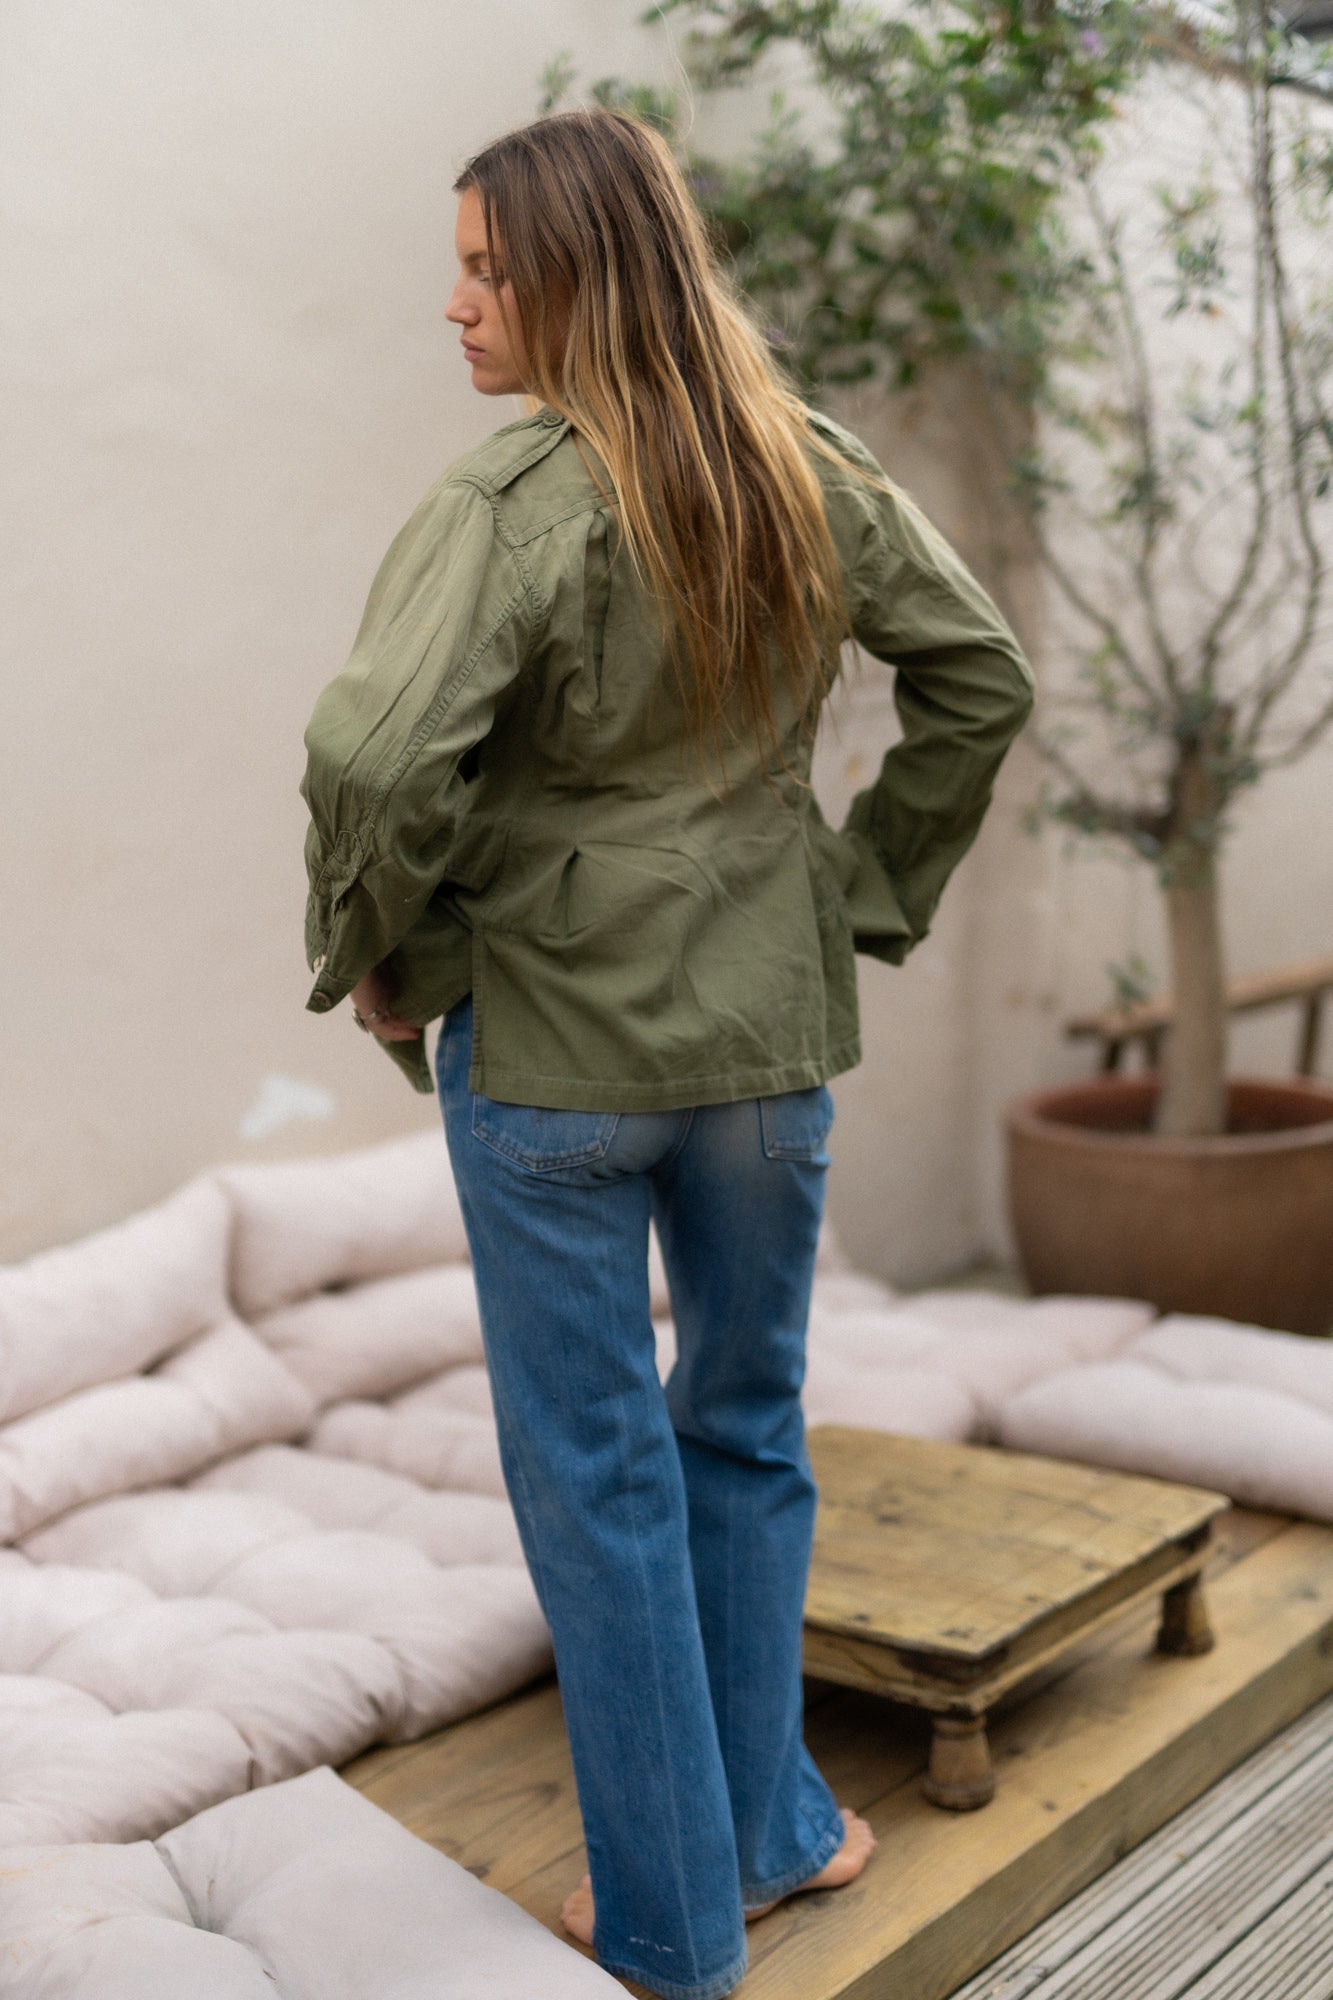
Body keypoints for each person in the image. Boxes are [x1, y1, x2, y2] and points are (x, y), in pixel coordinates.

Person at [300, 108, 1034, 2000]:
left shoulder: (506, 504)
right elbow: (979, 676)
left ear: (579, 277)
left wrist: (389, 959)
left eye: (488, 268)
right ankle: (774, 1833)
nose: (456, 303)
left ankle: (670, 1926)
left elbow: (373, 757)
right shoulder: (801, 462)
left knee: (597, 1476)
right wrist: (861, 885)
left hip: (553, 1050)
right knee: (745, 1427)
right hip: (763, 1045)